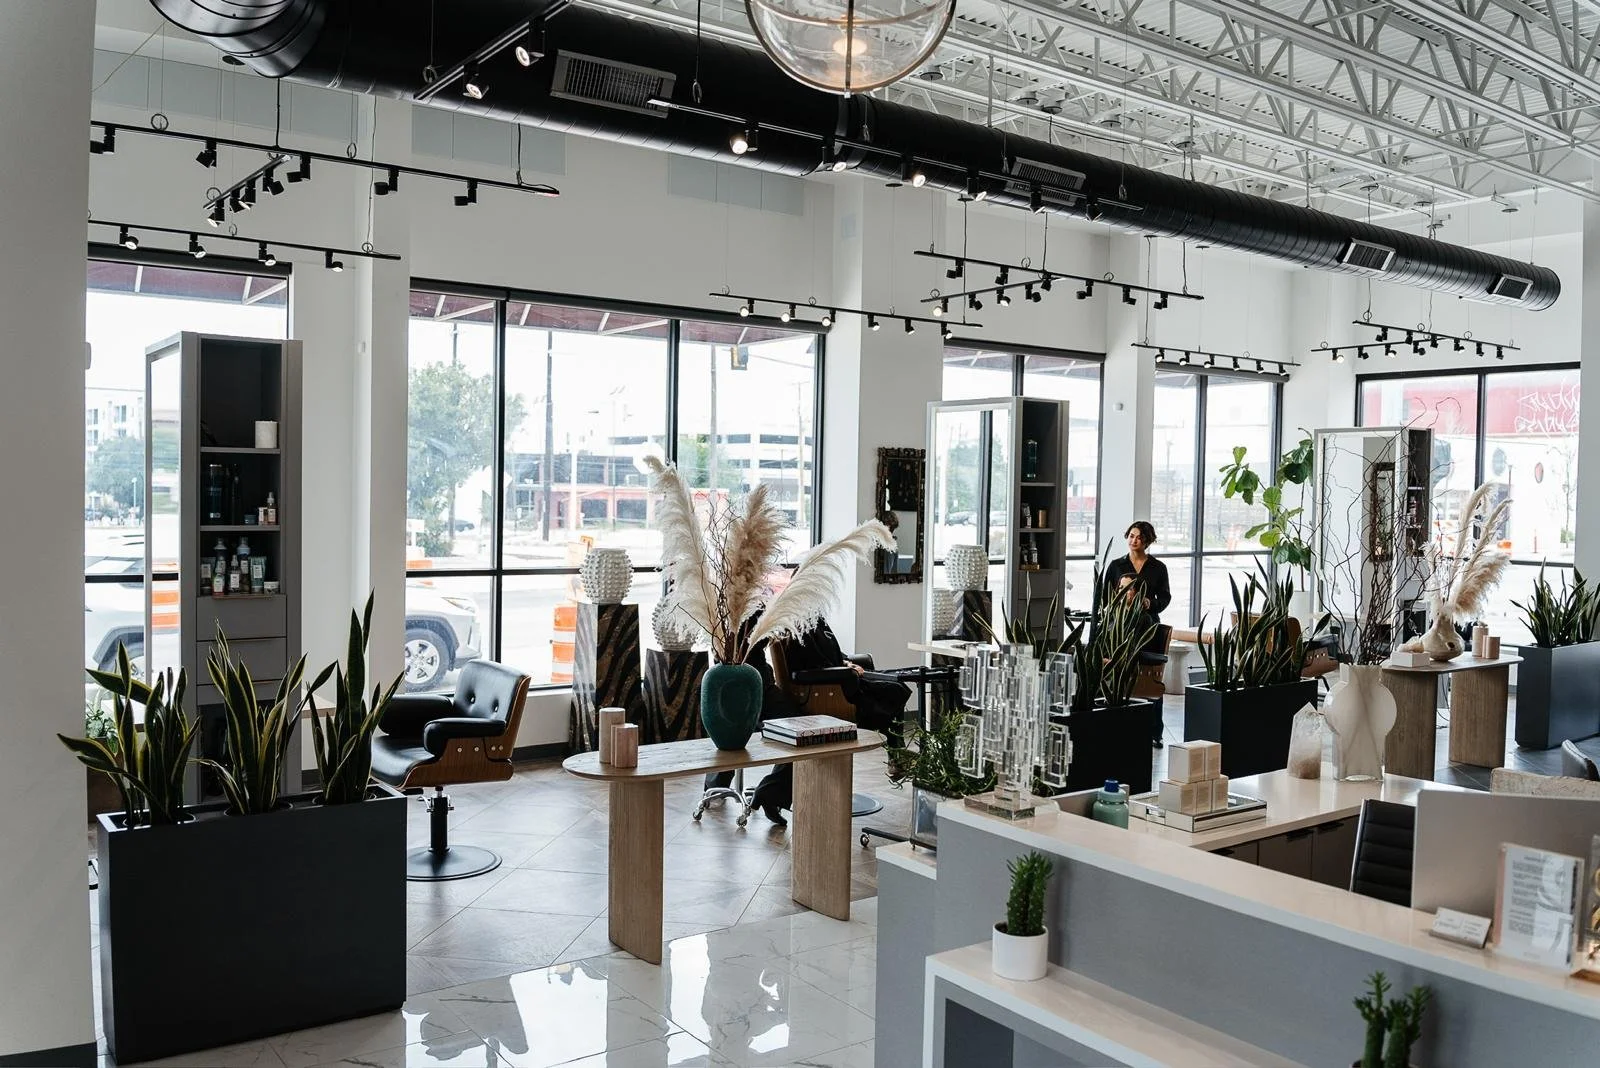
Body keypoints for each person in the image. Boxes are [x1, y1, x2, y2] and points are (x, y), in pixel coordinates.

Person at [1103, 520, 1172, 747]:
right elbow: (1104, 598)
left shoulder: (1158, 568)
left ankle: (1155, 732)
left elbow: (1164, 598)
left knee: (1150, 678)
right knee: (1119, 674)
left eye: (1140, 537)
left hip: (1147, 628)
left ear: (1148, 541)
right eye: (1131, 536)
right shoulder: (1116, 566)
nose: (1134, 541)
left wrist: (1148, 603)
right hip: (1118, 629)